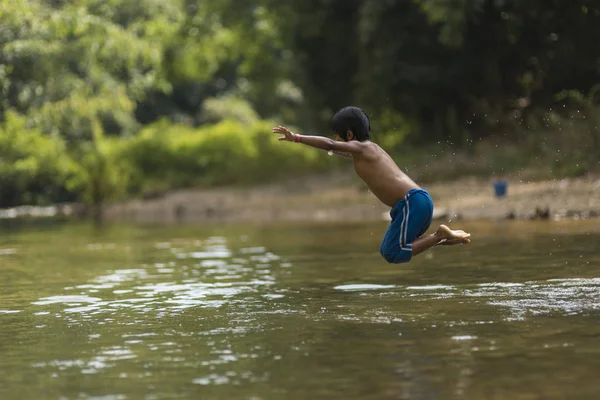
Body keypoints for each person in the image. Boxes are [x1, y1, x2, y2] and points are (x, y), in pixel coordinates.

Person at [272, 106, 471, 264]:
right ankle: (447, 237)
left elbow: (330, 146)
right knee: (395, 249)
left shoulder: (362, 148)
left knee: (392, 252)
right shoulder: (368, 150)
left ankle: (439, 236)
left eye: (337, 135)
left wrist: (297, 138)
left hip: (413, 203)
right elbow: (336, 150)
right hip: (415, 204)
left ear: (349, 136)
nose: (335, 140)